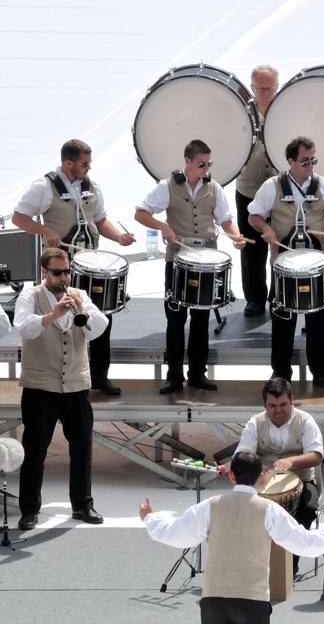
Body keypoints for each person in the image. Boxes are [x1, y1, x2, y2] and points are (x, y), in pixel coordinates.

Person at [141, 452, 324, 623]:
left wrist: (150, 518)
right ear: (261, 477)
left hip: (213, 600)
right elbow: (305, 544)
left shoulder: (209, 506)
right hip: (251, 601)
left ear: (231, 475)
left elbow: (177, 535)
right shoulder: (269, 510)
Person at [13, 139, 136, 395]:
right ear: (69, 163)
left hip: (90, 265)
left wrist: (119, 238)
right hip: (60, 267)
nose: (89, 168)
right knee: (60, 320)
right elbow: (19, 217)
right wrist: (45, 230)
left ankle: (100, 377)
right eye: (85, 163)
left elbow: (100, 220)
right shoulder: (43, 186)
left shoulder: (93, 186)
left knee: (99, 317)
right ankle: (60, 380)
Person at [135, 139, 246, 394]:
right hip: (178, 259)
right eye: (201, 163)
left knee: (200, 318)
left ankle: (197, 373)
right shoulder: (168, 186)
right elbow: (141, 212)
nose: (206, 168)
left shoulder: (214, 188)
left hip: (206, 260)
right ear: (187, 161)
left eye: (209, 163)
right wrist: (163, 227)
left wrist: (236, 236)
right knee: (175, 319)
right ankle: (174, 375)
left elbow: (226, 220)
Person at [14, 247, 109, 530]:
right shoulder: (29, 296)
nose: (63, 276)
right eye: (57, 272)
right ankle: (30, 510)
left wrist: (81, 309)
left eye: (66, 271)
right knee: (35, 450)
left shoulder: (79, 294)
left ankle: (82, 506)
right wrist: (53, 314)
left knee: (82, 448)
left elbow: (100, 327)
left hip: (76, 385)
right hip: (40, 386)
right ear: (44, 272)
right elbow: (24, 327)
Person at [248, 136, 324, 389]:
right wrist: (266, 229)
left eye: (313, 160)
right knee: (282, 318)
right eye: (305, 161)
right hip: (283, 266)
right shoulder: (272, 186)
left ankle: (321, 371)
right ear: (290, 161)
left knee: (319, 319)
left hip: (316, 265)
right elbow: (254, 215)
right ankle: (281, 372)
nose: (310, 165)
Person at [235, 377, 323, 574]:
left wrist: (292, 462)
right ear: (264, 404)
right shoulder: (255, 423)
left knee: (307, 509)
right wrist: (256, 465)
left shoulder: (306, 420)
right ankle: (253, 563)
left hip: (302, 480)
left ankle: (289, 565)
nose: (278, 410)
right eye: (272, 406)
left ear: (292, 399)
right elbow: (240, 454)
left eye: (283, 404)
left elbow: (316, 455)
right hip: (263, 484)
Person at [235, 65, 280, 317]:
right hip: (249, 186)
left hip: (278, 188)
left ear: (277, 86)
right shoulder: (241, 113)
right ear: (252, 88)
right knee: (251, 245)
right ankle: (254, 298)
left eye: (270, 87)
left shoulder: (284, 111)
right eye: (261, 88)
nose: (266, 92)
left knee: (279, 242)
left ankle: (278, 295)